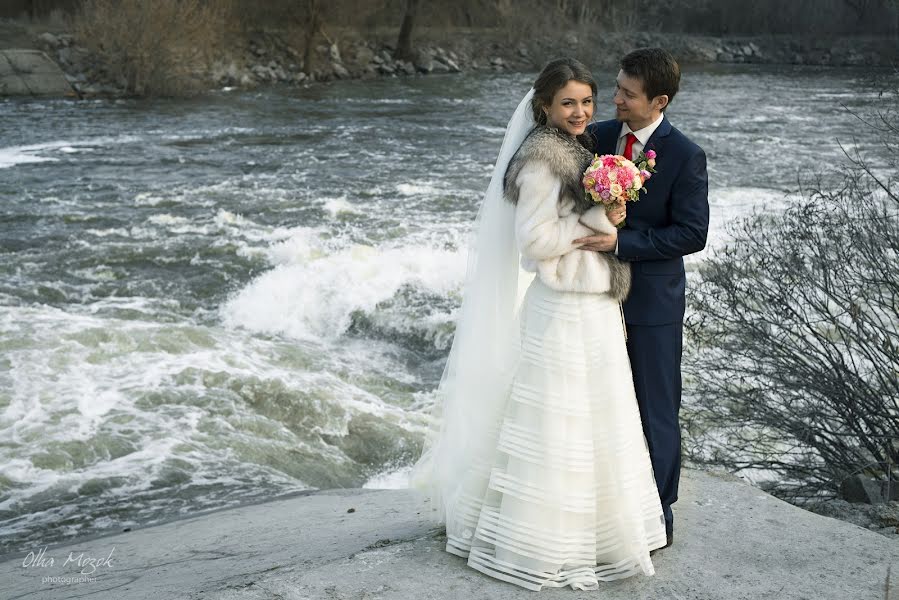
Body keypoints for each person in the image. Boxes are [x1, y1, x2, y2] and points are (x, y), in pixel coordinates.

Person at [410, 57, 667, 592]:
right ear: (545, 106)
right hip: (562, 307)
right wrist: (598, 219)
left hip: (591, 305)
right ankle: (545, 541)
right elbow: (535, 243)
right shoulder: (543, 160)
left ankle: (597, 533)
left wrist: (610, 209)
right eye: (568, 102)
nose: (581, 112)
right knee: (558, 426)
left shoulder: (582, 151)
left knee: (599, 422)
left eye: (587, 102)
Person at [575, 48, 710, 549]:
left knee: (656, 406)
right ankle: (605, 501)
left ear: (660, 101)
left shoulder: (685, 154)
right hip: (592, 295)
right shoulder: (602, 137)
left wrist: (623, 244)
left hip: (653, 303)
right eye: (616, 89)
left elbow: (693, 233)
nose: (616, 100)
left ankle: (659, 510)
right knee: (601, 399)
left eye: (627, 95)